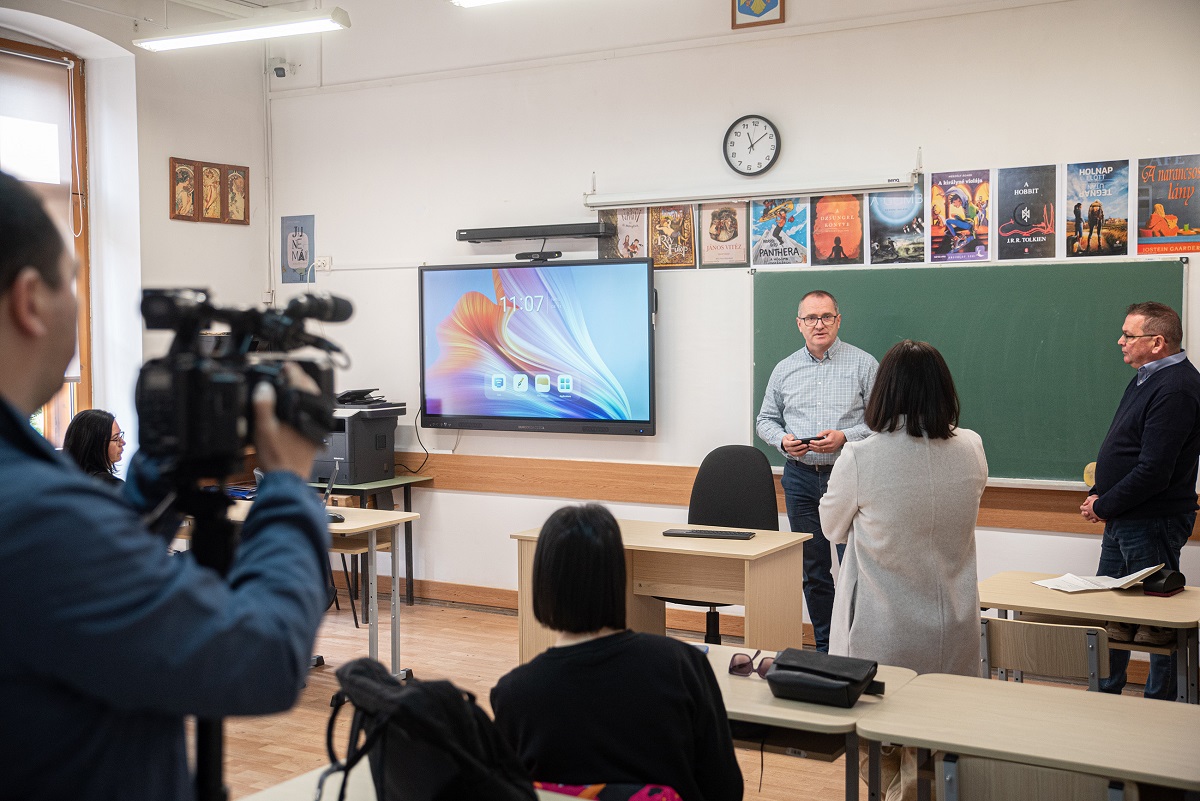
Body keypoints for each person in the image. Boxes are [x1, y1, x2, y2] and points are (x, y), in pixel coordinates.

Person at [0, 169, 331, 799]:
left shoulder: (36, 498)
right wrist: (288, 482)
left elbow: (86, 597)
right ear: (30, 300)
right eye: (73, 280)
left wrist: (157, 482)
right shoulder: (39, 518)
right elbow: (264, 655)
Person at [820, 339, 988, 801]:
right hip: (954, 622)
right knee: (938, 737)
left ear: (884, 392)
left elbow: (832, 528)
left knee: (879, 742)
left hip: (885, 630)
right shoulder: (972, 447)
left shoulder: (861, 456)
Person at [490, 504, 743, 801]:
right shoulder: (681, 665)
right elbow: (725, 789)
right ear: (617, 576)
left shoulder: (513, 694)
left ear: (543, 583)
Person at [1080, 301, 1200, 701]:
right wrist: (1101, 493)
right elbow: (1129, 449)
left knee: (1157, 624)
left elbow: (1154, 471)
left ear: (1157, 342)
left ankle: (1161, 707)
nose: (1120, 341)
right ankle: (1105, 696)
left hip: (1151, 520)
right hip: (1127, 516)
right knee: (1113, 617)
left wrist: (1104, 504)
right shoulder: (1148, 378)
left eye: (1128, 335)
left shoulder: (1176, 387)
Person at [756, 290, 878, 652]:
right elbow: (765, 420)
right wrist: (782, 441)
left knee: (855, 569)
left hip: (849, 476)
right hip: (800, 477)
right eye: (811, 318)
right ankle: (825, 648)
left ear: (838, 321)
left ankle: (856, 648)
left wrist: (845, 437)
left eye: (826, 316)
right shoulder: (784, 369)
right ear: (799, 324)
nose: (818, 324)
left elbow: (882, 423)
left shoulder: (864, 365)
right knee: (813, 570)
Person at [63, 407, 125, 486]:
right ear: (96, 445)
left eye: (120, 436)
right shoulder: (111, 485)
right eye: (116, 438)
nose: (123, 442)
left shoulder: (63, 479)